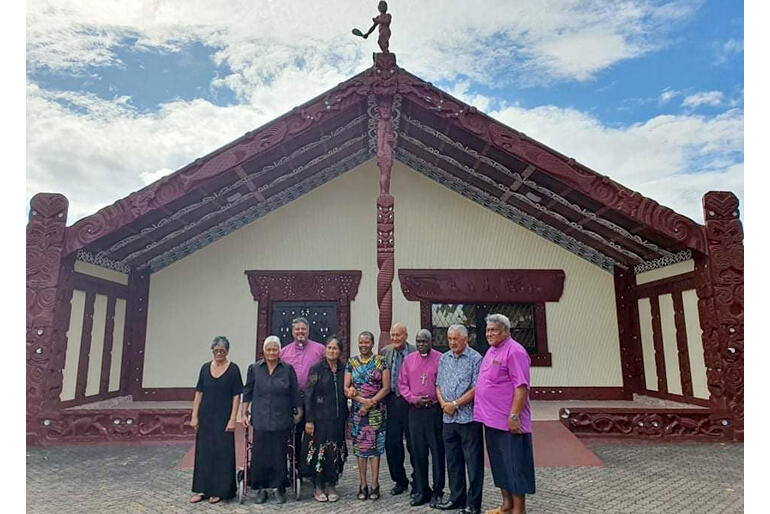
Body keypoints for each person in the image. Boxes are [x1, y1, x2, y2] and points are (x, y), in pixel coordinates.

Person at [474, 314, 535, 514]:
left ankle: (519, 510)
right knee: (499, 465)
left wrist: (514, 416)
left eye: (494, 330)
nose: (489, 334)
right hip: (491, 420)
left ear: (506, 331)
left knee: (515, 466)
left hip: (509, 422)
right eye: (487, 330)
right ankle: (506, 505)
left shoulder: (515, 351)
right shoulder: (491, 351)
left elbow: (521, 386)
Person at [242, 336, 302, 504]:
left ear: (279, 351)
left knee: (279, 453)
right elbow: (248, 392)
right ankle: (261, 488)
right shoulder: (254, 369)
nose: (271, 352)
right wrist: (243, 413)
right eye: (269, 349)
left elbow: (294, 392)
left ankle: (279, 488)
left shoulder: (287, 369)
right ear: (263, 350)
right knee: (260, 453)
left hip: (281, 418)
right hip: (260, 418)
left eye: (275, 349)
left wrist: (299, 411)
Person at [435, 325, 484, 514]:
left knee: (473, 463)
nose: (452, 342)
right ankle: (456, 498)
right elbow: (438, 385)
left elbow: (476, 388)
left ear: (466, 339)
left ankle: (473, 504)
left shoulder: (475, 359)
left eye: (456, 339)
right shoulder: (444, 358)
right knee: (453, 461)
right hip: (448, 419)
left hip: (468, 419)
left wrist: (454, 404)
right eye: (449, 338)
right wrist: (443, 404)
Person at [190, 336, 243, 504]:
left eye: (223, 349)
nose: (219, 352)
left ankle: (220, 490)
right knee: (204, 453)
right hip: (206, 417)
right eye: (216, 349)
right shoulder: (205, 368)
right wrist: (194, 416)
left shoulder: (233, 369)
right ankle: (202, 489)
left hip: (224, 418)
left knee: (222, 454)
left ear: (227, 351)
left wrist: (233, 418)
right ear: (212, 349)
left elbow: (236, 396)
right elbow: (199, 393)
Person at [398, 329, 445, 508]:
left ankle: (438, 491)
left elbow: (443, 382)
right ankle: (421, 490)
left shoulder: (440, 359)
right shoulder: (409, 360)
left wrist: (433, 399)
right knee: (418, 452)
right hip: (415, 412)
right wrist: (413, 399)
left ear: (431, 342)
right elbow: (402, 385)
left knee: (437, 453)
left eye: (424, 342)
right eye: (418, 342)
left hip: (434, 412)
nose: (420, 345)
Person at [345, 331, 391, 501]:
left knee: (375, 449)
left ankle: (375, 485)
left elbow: (386, 387)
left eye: (367, 342)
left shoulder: (380, 361)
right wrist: (361, 401)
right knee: (360, 449)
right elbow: (346, 387)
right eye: (361, 342)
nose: (363, 345)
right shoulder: (352, 362)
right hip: (358, 412)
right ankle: (362, 484)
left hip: (377, 410)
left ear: (372, 344)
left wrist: (370, 403)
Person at [303, 335, 349, 503]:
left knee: (334, 452)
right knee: (319, 452)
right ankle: (318, 485)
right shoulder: (316, 369)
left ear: (340, 351)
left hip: (337, 419)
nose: (332, 351)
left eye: (335, 348)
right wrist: (309, 419)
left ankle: (331, 484)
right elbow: (308, 394)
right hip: (319, 419)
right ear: (325, 350)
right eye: (329, 347)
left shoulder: (345, 369)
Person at [280, 317, 325, 473]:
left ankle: (313, 467)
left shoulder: (320, 350)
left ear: (308, 331)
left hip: (314, 399)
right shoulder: (283, 352)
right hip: (292, 400)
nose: (300, 332)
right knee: (294, 434)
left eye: (303, 329)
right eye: (297, 329)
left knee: (314, 433)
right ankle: (295, 467)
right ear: (292, 332)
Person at [380, 322, 417, 496]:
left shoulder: (415, 351)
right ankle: (399, 481)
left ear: (406, 335)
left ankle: (418, 480)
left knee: (414, 444)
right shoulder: (385, 352)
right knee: (392, 444)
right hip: (392, 403)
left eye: (398, 335)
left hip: (410, 404)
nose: (395, 338)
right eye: (393, 335)